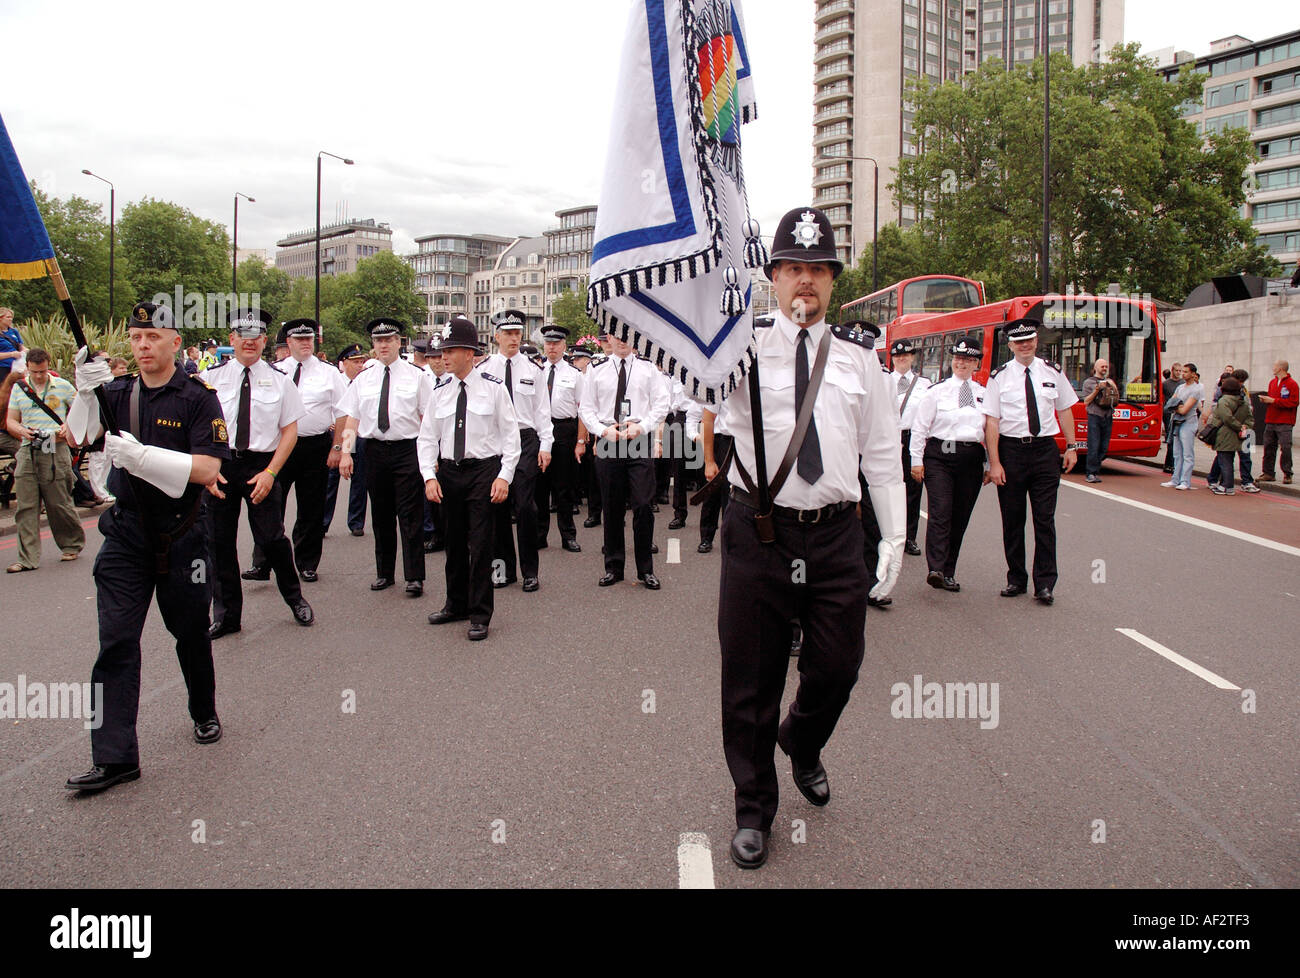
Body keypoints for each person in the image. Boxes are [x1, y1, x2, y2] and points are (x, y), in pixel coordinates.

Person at [715, 206, 904, 870]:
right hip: (759, 533)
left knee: (838, 666)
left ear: (832, 282)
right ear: (773, 276)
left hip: (833, 539)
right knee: (751, 679)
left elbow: (882, 451)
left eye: (818, 270)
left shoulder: (858, 359)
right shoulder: (740, 349)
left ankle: (802, 740)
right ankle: (753, 808)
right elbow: (695, 394)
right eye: (794, 268)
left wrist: (896, 537)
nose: (806, 282)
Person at [61, 302, 228, 793]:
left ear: (175, 342)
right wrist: (85, 391)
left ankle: (203, 709)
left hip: (183, 536)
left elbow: (207, 470)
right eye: (136, 338)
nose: (143, 346)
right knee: (114, 644)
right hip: (127, 537)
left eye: (153, 337)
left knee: (192, 633)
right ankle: (115, 758)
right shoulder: (116, 392)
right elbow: (77, 434)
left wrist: (142, 456)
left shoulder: (198, 397)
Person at [200, 310, 314, 637]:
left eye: (256, 337)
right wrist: (207, 468)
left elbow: (290, 432)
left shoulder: (280, 381)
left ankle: (295, 599)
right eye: (242, 336)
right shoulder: (211, 380)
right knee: (219, 544)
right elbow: (199, 428)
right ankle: (226, 616)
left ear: (264, 341)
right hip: (220, 466)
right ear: (232, 340)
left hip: (261, 467)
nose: (249, 342)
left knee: (272, 539)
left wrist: (271, 473)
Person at [419, 317, 521, 641]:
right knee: (453, 542)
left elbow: (511, 437)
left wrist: (504, 477)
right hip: (449, 472)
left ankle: (480, 613)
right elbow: (426, 438)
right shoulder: (440, 391)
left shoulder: (493, 388)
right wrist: (427, 477)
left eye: (450, 351)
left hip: (483, 471)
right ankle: (456, 604)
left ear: (469, 353)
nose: (443, 357)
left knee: (480, 545)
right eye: (442, 351)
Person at [983, 319, 1081, 604]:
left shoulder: (1053, 371)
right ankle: (1016, 579)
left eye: (1030, 340)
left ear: (1037, 342)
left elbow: (1064, 410)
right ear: (1011, 345)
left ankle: (1045, 583)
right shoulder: (999, 377)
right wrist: (995, 463)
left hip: (1044, 452)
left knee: (1044, 520)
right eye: (1019, 342)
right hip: (1012, 451)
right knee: (1013, 520)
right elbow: (992, 422)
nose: (1025, 346)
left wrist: (1072, 446)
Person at [243, 320, 348, 583]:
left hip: (316, 446)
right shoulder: (273, 371)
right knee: (269, 505)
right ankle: (263, 563)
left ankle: (307, 563)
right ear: (288, 343)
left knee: (311, 509)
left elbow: (344, 413)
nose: (305, 344)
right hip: (280, 447)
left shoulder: (330, 373)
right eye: (299, 340)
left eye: (309, 339)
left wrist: (340, 448)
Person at [337, 318, 434, 596]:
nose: (383, 345)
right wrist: (346, 453)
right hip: (374, 450)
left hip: (407, 450)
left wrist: (431, 457)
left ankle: (414, 576)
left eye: (388, 340)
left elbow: (427, 420)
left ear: (399, 342)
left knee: (410, 516)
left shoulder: (417, 376)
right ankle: (385, 573)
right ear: (373, 345)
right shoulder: (364, 378)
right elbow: (352, 419)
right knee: (380, 515)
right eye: (378, 341)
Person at [578, 329, 668, 590]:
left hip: (638, 437)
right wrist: (601, 431)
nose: (622, 341)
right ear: (609, 339)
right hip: (609, 438)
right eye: (616, 336)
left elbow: (661, 404)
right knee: (612, 506)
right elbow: (586, 408)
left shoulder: (648, 368)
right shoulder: (597, 369)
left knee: (642, 505)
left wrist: (643, 427)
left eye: (627, 336)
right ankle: (614, 567)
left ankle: (645, 570)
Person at [478, 310, 552, 592]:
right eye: (507, 333)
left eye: (517, 333)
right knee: (496, 506)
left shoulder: (533, 370)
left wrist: (546, 445)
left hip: (524, 440)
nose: (513, 338)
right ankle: (502, 569)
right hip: (494, 442)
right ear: (496, 336)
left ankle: (529, 571)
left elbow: (542, 412)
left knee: (525, 507)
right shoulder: (483, 370)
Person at [910, 337, 989, 590]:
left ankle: (948, 570)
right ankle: (935, 567)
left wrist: (990, 464)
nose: (961, 363)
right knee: (940, 512)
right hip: (939, 456)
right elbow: (920, 428)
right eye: (957, 359)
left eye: (967, 360)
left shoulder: (984, 395)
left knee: (960, 516)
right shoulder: (936, 392)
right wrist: (916, 461)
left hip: (971, 458)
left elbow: (989, 433)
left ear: (976, 363)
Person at [4, 348, 84, 572]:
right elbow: (10, 421)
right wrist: (22, 430)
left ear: (49, 366)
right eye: (34, 371)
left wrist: (67, 426)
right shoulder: (19, 389)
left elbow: (81, 410)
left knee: (58, 502)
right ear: (27, 368)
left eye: (42, 371)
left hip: (56, 448)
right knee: (26, 505)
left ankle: (71, 543)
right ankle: (27, 558)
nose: (38, 375)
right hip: (29, 448)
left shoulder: (63, 386)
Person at [534, 324, 583, 553]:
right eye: (548, 343)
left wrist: (581, 441)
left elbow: (583, 409)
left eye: (556, 343)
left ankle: (568, 535)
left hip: (564, 431)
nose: (552, 347)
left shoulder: (574, 374)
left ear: (564, 346)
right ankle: (540, 534)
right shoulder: (535, 372)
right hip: (539, 431)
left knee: (564, 487)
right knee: (540, 487)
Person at [885, 339, 930, 554]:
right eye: (897, 356)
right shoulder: (884, 382)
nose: (901, 358)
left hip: (914, 439)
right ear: (892, 358)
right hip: (890, 439)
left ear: (913, 357)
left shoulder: (925, 385)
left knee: (913, 491)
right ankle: (890, 534)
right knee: (891, 489)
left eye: (906, 355)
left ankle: (909, 537)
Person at [323, 343, 370, 536]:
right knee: (330, 480)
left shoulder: (366, 381)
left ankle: (356, 522)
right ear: (344, 363)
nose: (360, 365)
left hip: (358, 436)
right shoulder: (336, 380)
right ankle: (323, 521)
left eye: (361, 361)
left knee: (360, 481)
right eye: (355, 362)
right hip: (338, 436)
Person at [688, 400, 731, 553]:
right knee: (713, 491)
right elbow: (707, 419)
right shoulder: (719, 383)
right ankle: (706, 536)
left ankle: (732, 538)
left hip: (745, 440)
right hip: (722, 440)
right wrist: (709, 461)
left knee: (735, 496)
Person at [1161, 363, 1203, 491]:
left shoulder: (1196, 389)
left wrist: (1177, 406)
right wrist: (1178, 406)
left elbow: (1185, 410)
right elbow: (1169, 404)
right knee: (1177, 453)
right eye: (1182, 371)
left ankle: (1185, 481)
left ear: (1193, 374)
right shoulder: (1180, 387)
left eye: (1185, 372)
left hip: (1189, 423)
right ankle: (1175, 479)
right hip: (1177, 422)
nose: (1183, 374)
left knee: (1187, 454)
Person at [1209, 376, 1253, 495]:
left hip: (1224, 435)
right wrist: (1245, 428)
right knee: (1229, 460)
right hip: (1238, 436)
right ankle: (1227, 485)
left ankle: (1227, 486)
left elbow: (1226, 418)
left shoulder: (1223, 401)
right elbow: (1250, 418)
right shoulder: (1243, 402)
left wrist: (1238, 426)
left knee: (1225, 462)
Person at [1080, 358, 1119, 483]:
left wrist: (1112, 386)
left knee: (1104, 447)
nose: (1104, 369)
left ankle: (1095, 469)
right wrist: (1097, 389)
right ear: (1095, 368)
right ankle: (1091, 473)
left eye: (1106, 366)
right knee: (1094, 445)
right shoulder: (1088, 382)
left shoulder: (1109, 381)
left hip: (1108, 416)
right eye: (1102, 366)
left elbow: (1116, 399)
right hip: (1094, 416)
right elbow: (1086, 401)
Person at [1258, 359, 1295, 485]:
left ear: (1280, 368)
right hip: (1271, 420)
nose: (1273, 368)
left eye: (1274, 366)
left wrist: (1273, 401)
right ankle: (1268, 473)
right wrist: (1267, 400)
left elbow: (1293, 402)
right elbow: (1273, 400)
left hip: (1285, 422)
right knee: (1268, 447)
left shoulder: (1292, 384)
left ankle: (1287, 473)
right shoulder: (1272, 382)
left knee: (1285, 447)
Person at [1161, 362, 1182, 474]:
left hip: (1179, 413)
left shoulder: (1183, 383)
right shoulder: (1166, 384)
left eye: (1180, 371)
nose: (1178, 373)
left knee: (1177, 439)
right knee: (1170, 439)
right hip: (1168, 413)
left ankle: (1174, 464)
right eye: (1177, 370)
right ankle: (1169, 464)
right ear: (1172, 370)